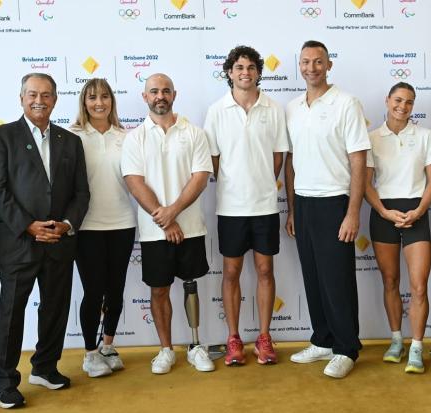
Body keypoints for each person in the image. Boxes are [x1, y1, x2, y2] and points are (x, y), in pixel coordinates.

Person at [0, 73, 90, 409]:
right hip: (19, 241)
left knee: (56, 308)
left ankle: (44, 368)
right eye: (32, 94)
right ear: (21, 98)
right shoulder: (1, 137)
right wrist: (28, 225)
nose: (39, 100)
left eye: (46, 95)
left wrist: (67, 224)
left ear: (56, 99)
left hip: (59, 240)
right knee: (12, 313)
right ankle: (4, 381)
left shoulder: (69, 141)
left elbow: (81, 192)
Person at [285, 40, 369, 379]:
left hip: (335, 201)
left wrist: (352, 213)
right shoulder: (291, 107)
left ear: (329, 65)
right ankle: (322, 339)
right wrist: (292, 209)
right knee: (313, 277)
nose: (311, 68)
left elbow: (359, 161)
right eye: (305, 62)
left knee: (338, 280)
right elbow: (290, 162)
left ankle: (346, 348)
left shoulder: (346, 103)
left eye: (318, 62)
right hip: (303, 203)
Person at [121, 73, 214, 374]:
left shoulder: (195, 133)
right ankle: (165, 350)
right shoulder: (135, 137)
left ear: (175, 95)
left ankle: (196, 345)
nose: (160, 96)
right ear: (145, 96)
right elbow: (135, 182)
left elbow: (200, 177)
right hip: (154, 231)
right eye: (154, 91)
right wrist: (165, 219)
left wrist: (172, 212)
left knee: (191, 285)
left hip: (190, 227)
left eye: (165, 91)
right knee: (159, 290)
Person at [204, 45, 288, 366]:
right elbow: (213, 158)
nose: (245, 72)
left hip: (265, 206)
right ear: (229, 72)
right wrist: (234, 184)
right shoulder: (216, 110)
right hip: (230, 208)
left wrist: (263, 182)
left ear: (257, 72)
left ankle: (264, 338)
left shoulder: (273, 108)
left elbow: (278, 155)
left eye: (251, 67)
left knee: (266, 270)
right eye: (239, 67)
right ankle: (234, 338)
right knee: (231, 273)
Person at [364, 82, 431, 374]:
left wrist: (419, 211)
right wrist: (384, 212)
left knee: (419, 285)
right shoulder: (371, 138)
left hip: (416, 214)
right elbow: (365, 182)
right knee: (390, 281)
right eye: (398, 100)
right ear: (387, 100)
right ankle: (397, 340)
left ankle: (417, 347)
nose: (403, 106)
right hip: (383, 213)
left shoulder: (425, 136)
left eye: (409, 102)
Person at [70, 79, 136, 377]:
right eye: (93, 97)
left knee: (116, 290)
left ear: (112, 101)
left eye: (105, 97)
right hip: (86, 227)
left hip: (122, 222)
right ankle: (90, 353)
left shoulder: (126, 136)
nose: (99, 103)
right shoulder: (71, 137)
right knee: (93, 291)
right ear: (84, 102)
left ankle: (108, 346)